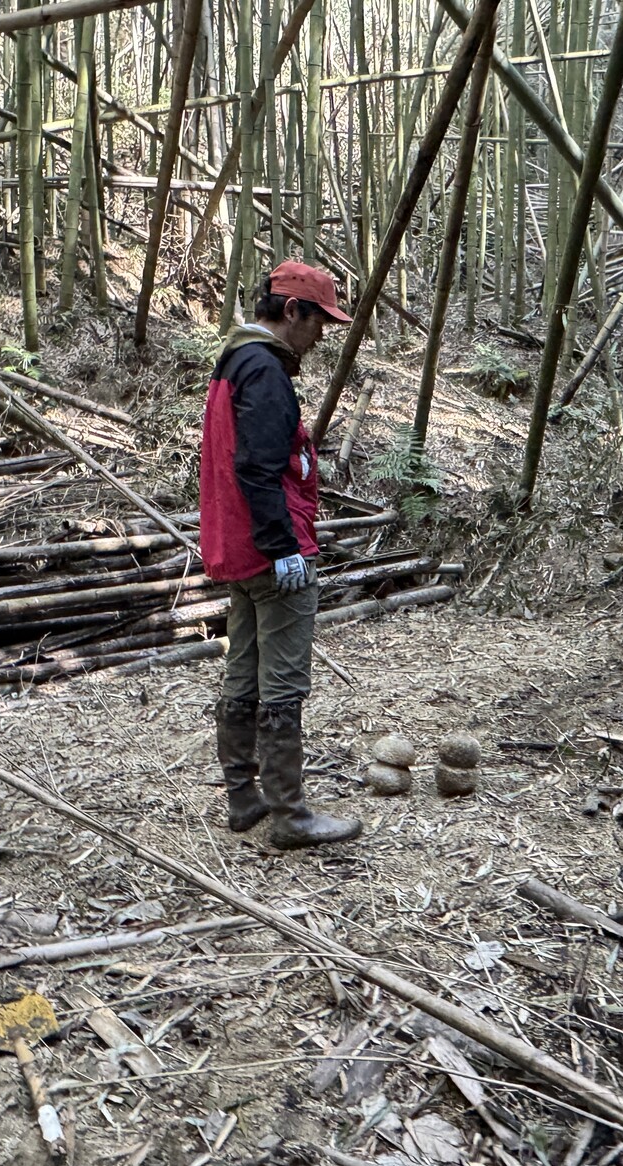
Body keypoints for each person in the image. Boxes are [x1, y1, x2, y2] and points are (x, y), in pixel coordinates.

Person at [198, 262, 363, 849]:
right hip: (270, 549)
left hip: (235, 546)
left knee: (242, 670)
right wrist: (283, 548)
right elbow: (256, 467)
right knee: (284, 682)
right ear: (292, 311)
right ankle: (290, 815)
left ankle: (244, 798)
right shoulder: (265, 370)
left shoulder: (234, 361)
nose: (321, 336)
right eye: (319, 322)